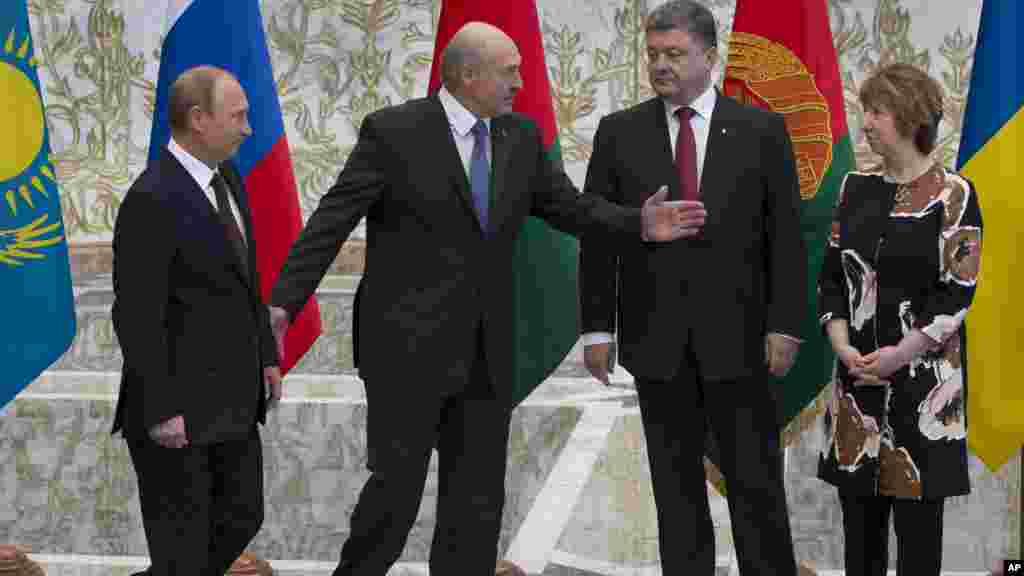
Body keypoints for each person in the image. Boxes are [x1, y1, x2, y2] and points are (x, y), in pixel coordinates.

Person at [266, 20, 704, 576]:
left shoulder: (519, 137)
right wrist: (284, 302)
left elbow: (571, 208)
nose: (520, 83)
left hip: (486, 356)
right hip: (407, 354)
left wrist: (638, 224)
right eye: (509, 72)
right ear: (468, 75)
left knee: (475, 508)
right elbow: (331, 221)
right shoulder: (394, 132)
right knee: (393, 500)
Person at [578, 1, 806, 573]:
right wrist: (597, 328)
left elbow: (786, 237)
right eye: (653, 54)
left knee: (757, 491)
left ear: (709, 55)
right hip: (658, 346)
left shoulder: (761, 129)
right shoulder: (618, 133)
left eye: (674, 54)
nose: (661, 66)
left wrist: (784, 323)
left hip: (742, 342)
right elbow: (599, 237)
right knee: (677, 496)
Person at [111, 66, 282, 576]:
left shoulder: (227, 178)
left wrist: (267, 359)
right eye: (238, 117)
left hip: (232, 401)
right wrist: (162, 408)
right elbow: (137, 314)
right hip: (176, 412)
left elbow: (246, 281)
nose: (248, 128)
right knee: (181, 547)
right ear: (198, 119)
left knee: (244, 514)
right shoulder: (151, 198)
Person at [817, 63, 981, 576]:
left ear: (910, 118)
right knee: (860, 550)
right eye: (865, 110)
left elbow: (956, 293)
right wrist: (843, 347)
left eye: (876, 112)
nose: (864, 123)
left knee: (917, 552)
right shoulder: (853, 189)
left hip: (922, 398)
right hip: (856, 391)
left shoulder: (955, 195)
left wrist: (896, 356)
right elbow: (831, 280)